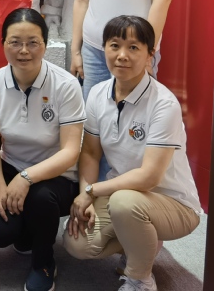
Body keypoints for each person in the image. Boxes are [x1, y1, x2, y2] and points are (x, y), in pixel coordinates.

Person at [64, 16, 201, 291]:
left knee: (125, 204)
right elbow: (90, 152)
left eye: (134, 48)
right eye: (114, 45)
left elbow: (149, 177)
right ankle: (141, 242)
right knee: (77, 243)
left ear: (150, 54)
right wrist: (85, 194)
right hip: (123, 196)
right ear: (104, 48)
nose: (122, 55)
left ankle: (141, 279)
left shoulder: (164, 104)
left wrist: (92, 191)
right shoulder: (97, 94)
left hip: (174, 204)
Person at [0, 8, 85, 291]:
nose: (24, 51)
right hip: (12, 166)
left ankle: (44, 262)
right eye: (15, 42)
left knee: (40, 199)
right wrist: (0, 187)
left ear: (45, 45)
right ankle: (28, 231)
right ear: (3, 43)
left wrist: (25, 178)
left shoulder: (66, 85)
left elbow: (70, 152)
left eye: (33, 43)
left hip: (57, 175)